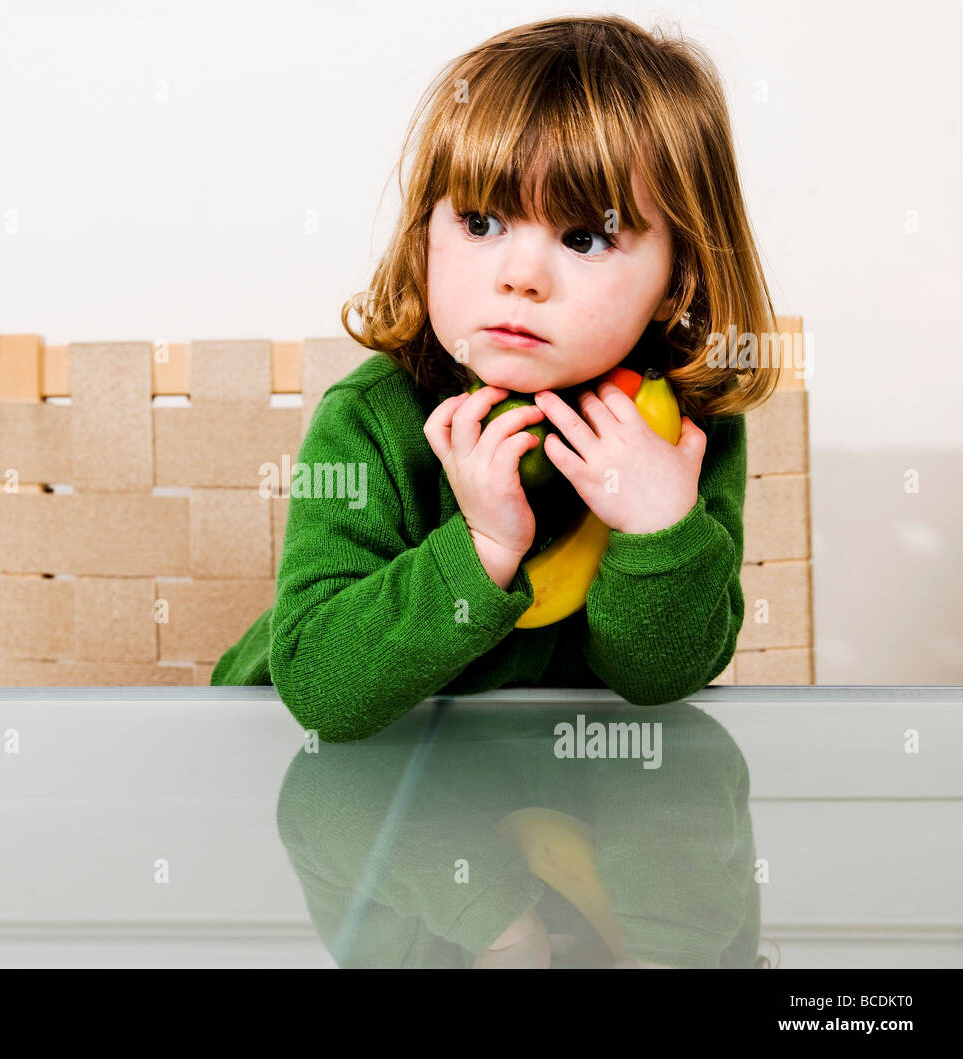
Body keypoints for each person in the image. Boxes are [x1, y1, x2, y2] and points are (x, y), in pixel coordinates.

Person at [211, 15, 782, 743]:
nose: (520, 277)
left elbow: (661, 681)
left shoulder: (685, 430)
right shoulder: (371, 418)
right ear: (425, 232)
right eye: (481, 223)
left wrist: (660, 529)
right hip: (307, 769)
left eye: (584, 237)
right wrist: (482, 547)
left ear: (679, 277)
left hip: (535, 795)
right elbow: (322, 688)